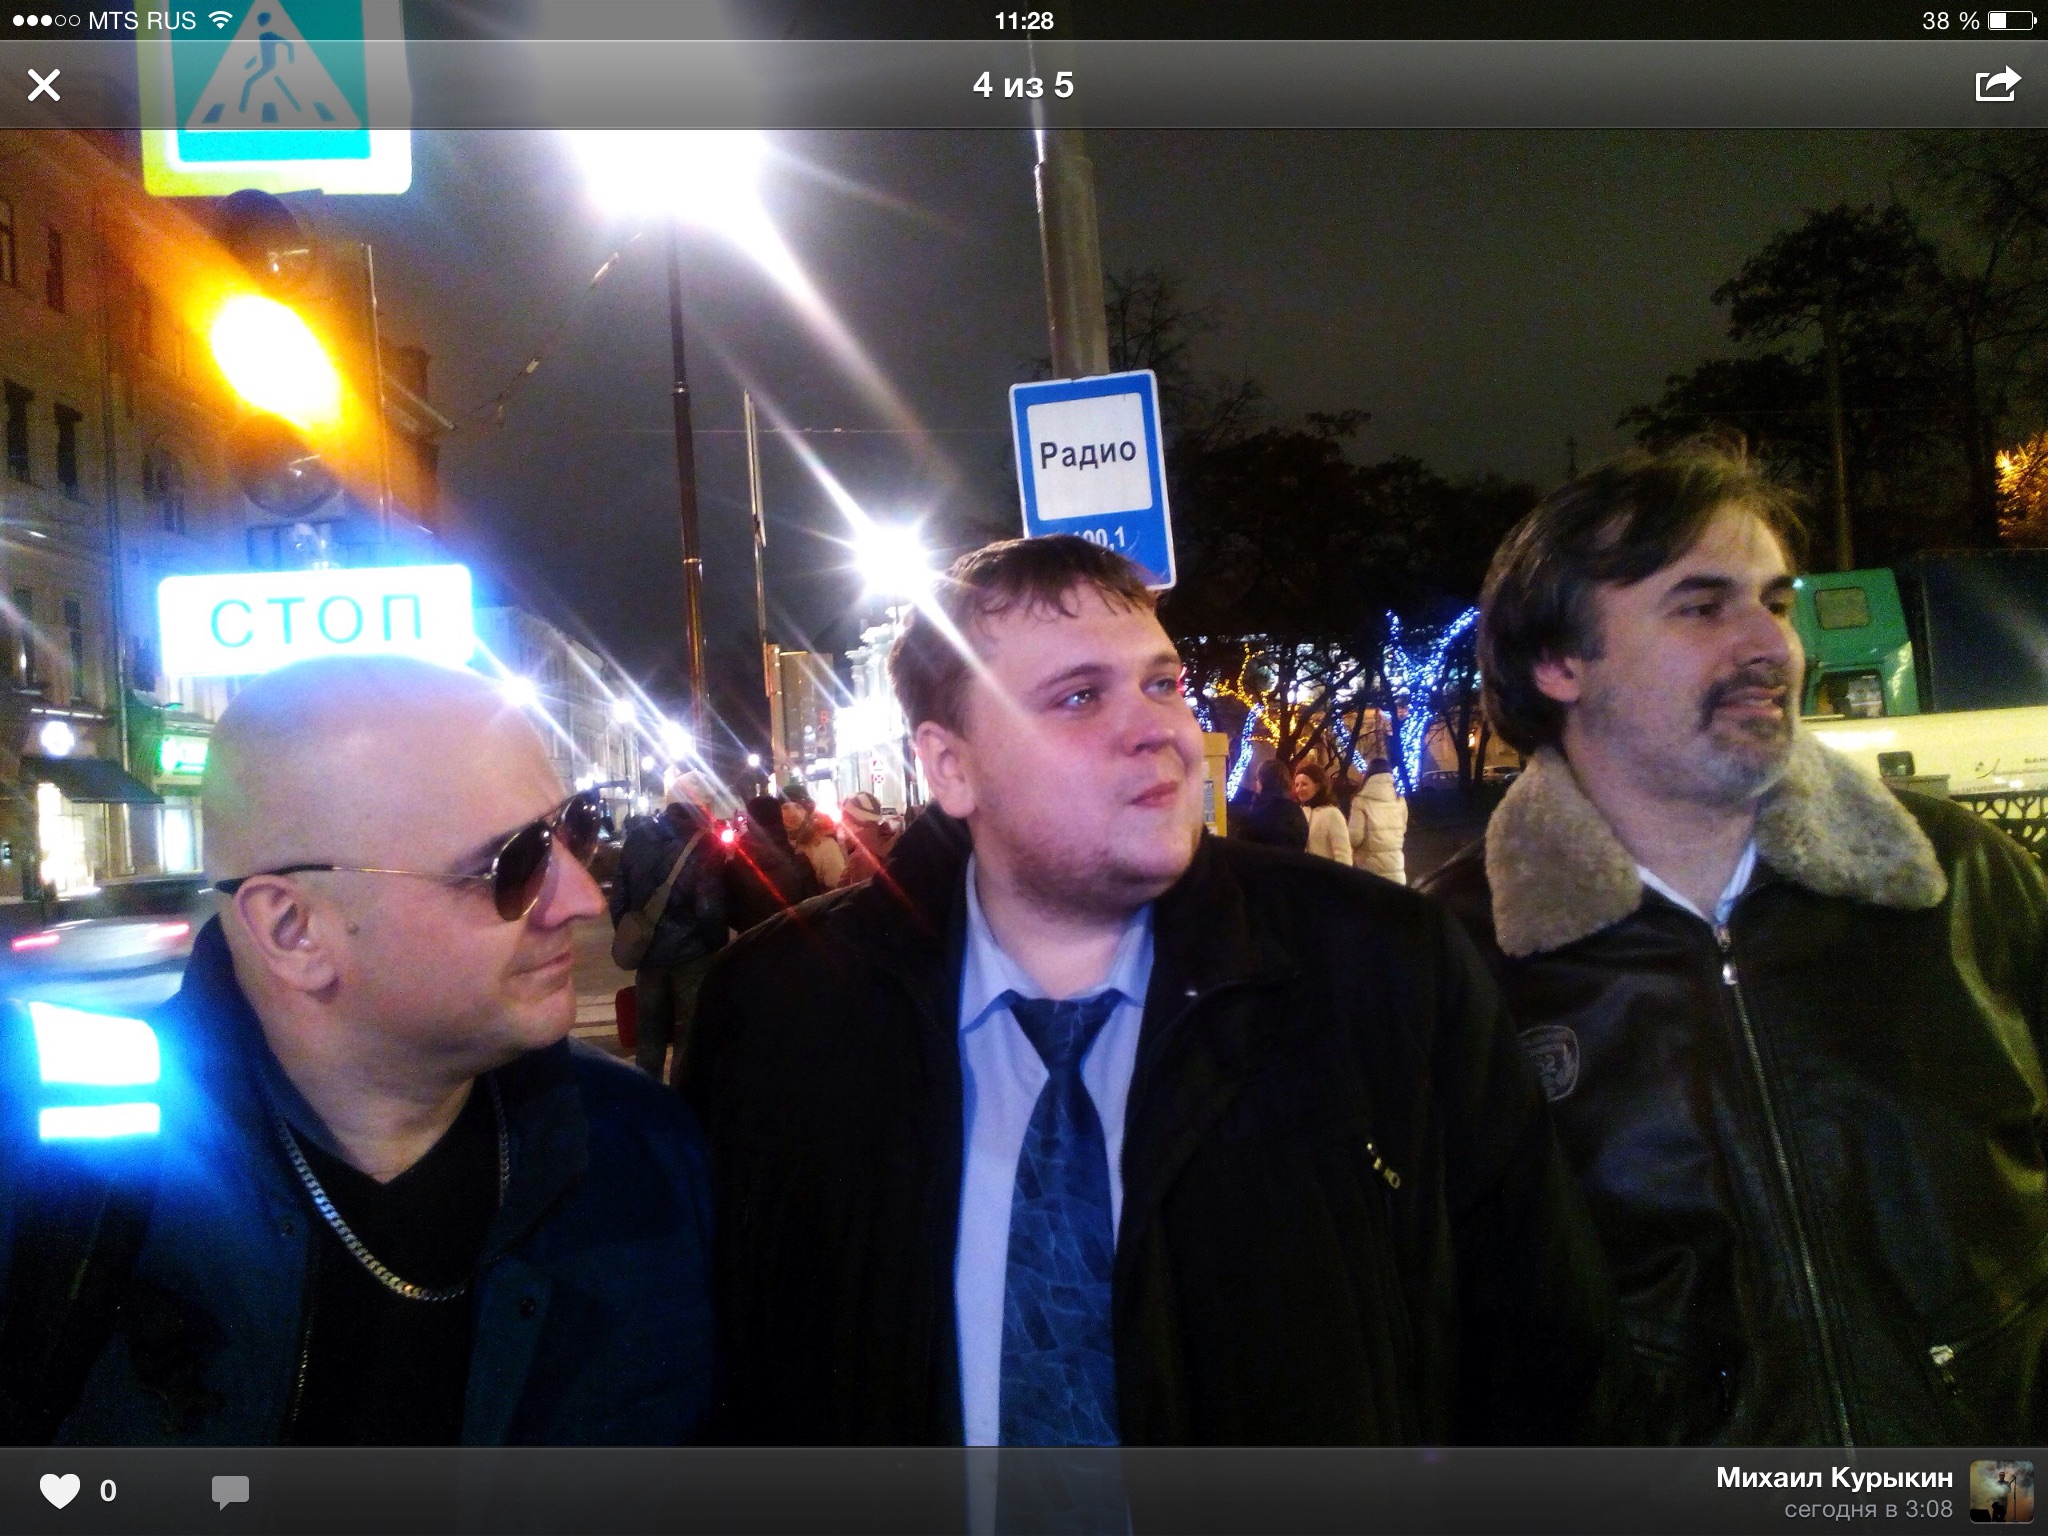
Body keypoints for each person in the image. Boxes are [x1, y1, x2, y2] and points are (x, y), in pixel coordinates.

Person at [686, 534, 1620, 1446]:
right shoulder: (778, 1010)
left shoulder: (1385, 968)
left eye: (1162, 684)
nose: (1163, 731)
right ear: (951, 766)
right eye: (1080, 695)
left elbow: (1543, 1360)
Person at [1421, 440, 2048, 1446]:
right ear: (1558, 662)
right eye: (1702, 606)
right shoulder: (1451, 962)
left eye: (1777, 602)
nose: (1771, 645)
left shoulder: (1957, 880)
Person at [0, 657, 716, 1446]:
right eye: (513, 865)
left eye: (574, 829)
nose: (580, 898)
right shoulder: (55, 1174)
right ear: (294, 930)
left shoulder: (643, 1149)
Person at [610, 772, 727, 1086]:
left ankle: (648, 1098)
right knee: (689, 1035)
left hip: (649, 955)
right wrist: (715, 945)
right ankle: (679, 1098)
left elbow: (619, 897)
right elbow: (709, 908)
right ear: (702, 806)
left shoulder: (637, 838)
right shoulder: (706, 844)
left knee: (649, 1035)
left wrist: (637, 933)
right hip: (691, 957)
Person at [724, 794, 820, 933]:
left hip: (754, 939)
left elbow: (730, 912)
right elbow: (813, 905)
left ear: (751, 821)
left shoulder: (734, 868)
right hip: (795, 938)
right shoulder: (800, 862)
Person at [1349, 757, 1409, 884]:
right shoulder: (1400, 800)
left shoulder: (1360, 801)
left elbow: (1355, 838)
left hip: (1370, 870)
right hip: (1396, 868)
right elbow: (1402, 830)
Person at [1229, 757, 1308, 851]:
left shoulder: (1255, 813)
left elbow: (1243, 848)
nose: (1256, 783)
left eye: (1257, 779)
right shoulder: (1296, 812)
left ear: (1263, 781)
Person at [1292, 761, 1353, 865]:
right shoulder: (1299, 813)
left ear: (1318, 786)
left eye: (1304, 784)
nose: (1299, 789)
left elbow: (1343, 855)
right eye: (1297, 785)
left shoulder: (1332, 814)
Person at [784, 795, 848, 891]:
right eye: (785, 808)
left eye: (798, 807)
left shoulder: (825, 845)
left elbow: (837, 885)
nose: (792, 813)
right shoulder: (770, 844)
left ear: (807, 812)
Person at [836, 790, 896, 886]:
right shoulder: (889, 842)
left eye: (844, 818)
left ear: (857, 823)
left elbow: (853, 894)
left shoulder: (861, 860)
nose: (841, 825)